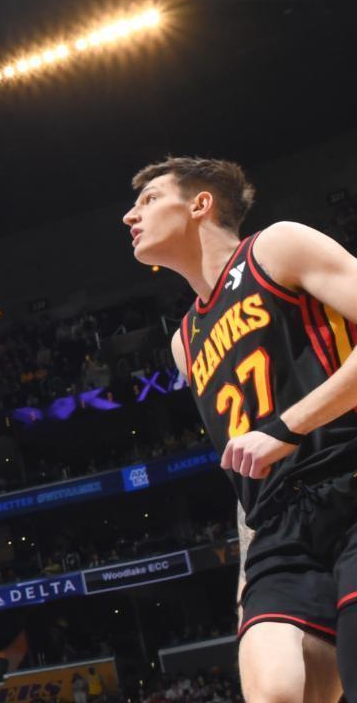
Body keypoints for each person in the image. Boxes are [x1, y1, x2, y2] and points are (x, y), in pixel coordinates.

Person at [125, 157, 357, 702]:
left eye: (149, 199)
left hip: (350, 477)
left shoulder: (276, 247)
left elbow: (268, 436)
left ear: (200, 203)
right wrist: (247, 572)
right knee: (274, 690)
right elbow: (243, 466)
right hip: (276, 527)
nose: (129, 216)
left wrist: (288, 428)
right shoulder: (185, 342)